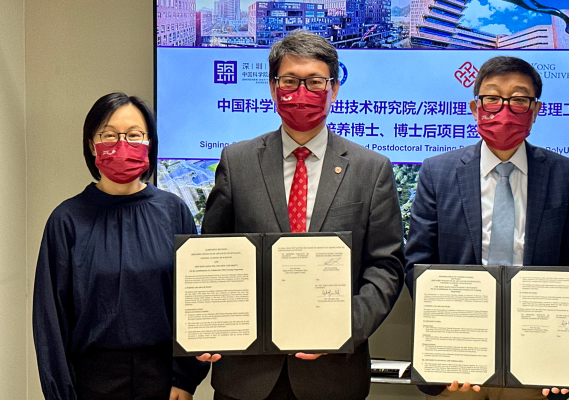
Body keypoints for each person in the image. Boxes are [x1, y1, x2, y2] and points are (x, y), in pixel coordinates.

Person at [197, 30, 405, 400]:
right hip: (247, 374)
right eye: (290, 81)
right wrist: (210, 327)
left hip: (333, 376)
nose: (302, 92)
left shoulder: (371, 169)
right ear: (273, 88)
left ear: (334, 89)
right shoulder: (237, 161)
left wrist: (342, 329)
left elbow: (385, 267)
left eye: (315, 82)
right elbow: (213, 257)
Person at [404, 56, 569, 400]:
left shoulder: (565, 174)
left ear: (535, 110)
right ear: (476, 107)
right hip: (457, 360)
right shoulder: (437, 171)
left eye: (519, 99)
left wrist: (564, 351)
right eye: (492, 98)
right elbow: (418, 262)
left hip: (537, 360)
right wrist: (448, 332)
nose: (504, 109)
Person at [33, 93, 209, 400]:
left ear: (150, 142)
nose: (122, 143)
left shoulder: (174, 212)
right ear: (91, 144)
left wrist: (186, 378)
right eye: (109, 135)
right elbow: (50, 321)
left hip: (164, 382)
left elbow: (194, 301)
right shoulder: (66, 221)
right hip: (90, 383)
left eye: (134, 135)